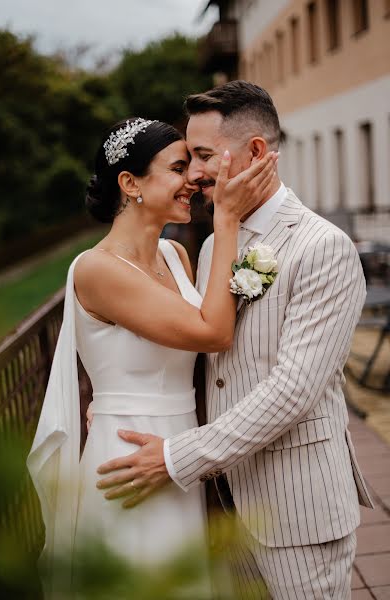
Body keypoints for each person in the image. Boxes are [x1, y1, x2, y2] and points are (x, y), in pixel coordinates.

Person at [96, 82, 374, 600]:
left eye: (203, 155)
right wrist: (122, 399)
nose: (194, 172)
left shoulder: (322, 248)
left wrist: (178, 457)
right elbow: (207, 356)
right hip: (221, 504)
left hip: (297, 508)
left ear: (255, 153)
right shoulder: (212, 249)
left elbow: (294, 389)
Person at [27, 116, 276, 597]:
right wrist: (224, 220)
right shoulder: (99, 270)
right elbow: (214, 332)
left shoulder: (173, 256)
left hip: (180, 452)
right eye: (178, 168)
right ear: (130, 183)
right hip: (129, 458)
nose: (193, 181)